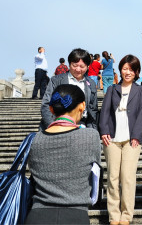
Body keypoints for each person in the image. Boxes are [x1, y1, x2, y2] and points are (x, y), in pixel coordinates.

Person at [26, 84, 101, 224]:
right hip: (76, 215)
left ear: (51, 109)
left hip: (37, 215)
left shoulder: (34, 139)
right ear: (82, 106)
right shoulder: (91, 136)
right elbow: (94, 177)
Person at [99, 55, 142, 225]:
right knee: (113, 177)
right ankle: (114, 216)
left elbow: (141, 115)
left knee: (127, 177)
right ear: (120, 69)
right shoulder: (112, 89)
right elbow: (104, 112)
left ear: (136, 72)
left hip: (131, 139)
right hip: (112, 138)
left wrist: (136, 135)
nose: (127, 72)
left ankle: (126, 216)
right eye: (124, 68)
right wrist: (104, 130)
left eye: (131, 69)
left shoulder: (141, 91)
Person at [41, 48, 99, 130]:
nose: (78, 69)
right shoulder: (56, 81)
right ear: (69, 64)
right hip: (58, 124)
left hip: (82, 126)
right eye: (74, 65)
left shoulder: (91, 83)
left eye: (82, 66)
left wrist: (92, 130)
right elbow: (46, 104)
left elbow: (93, 109)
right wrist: (53, 126)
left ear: (87, 66)